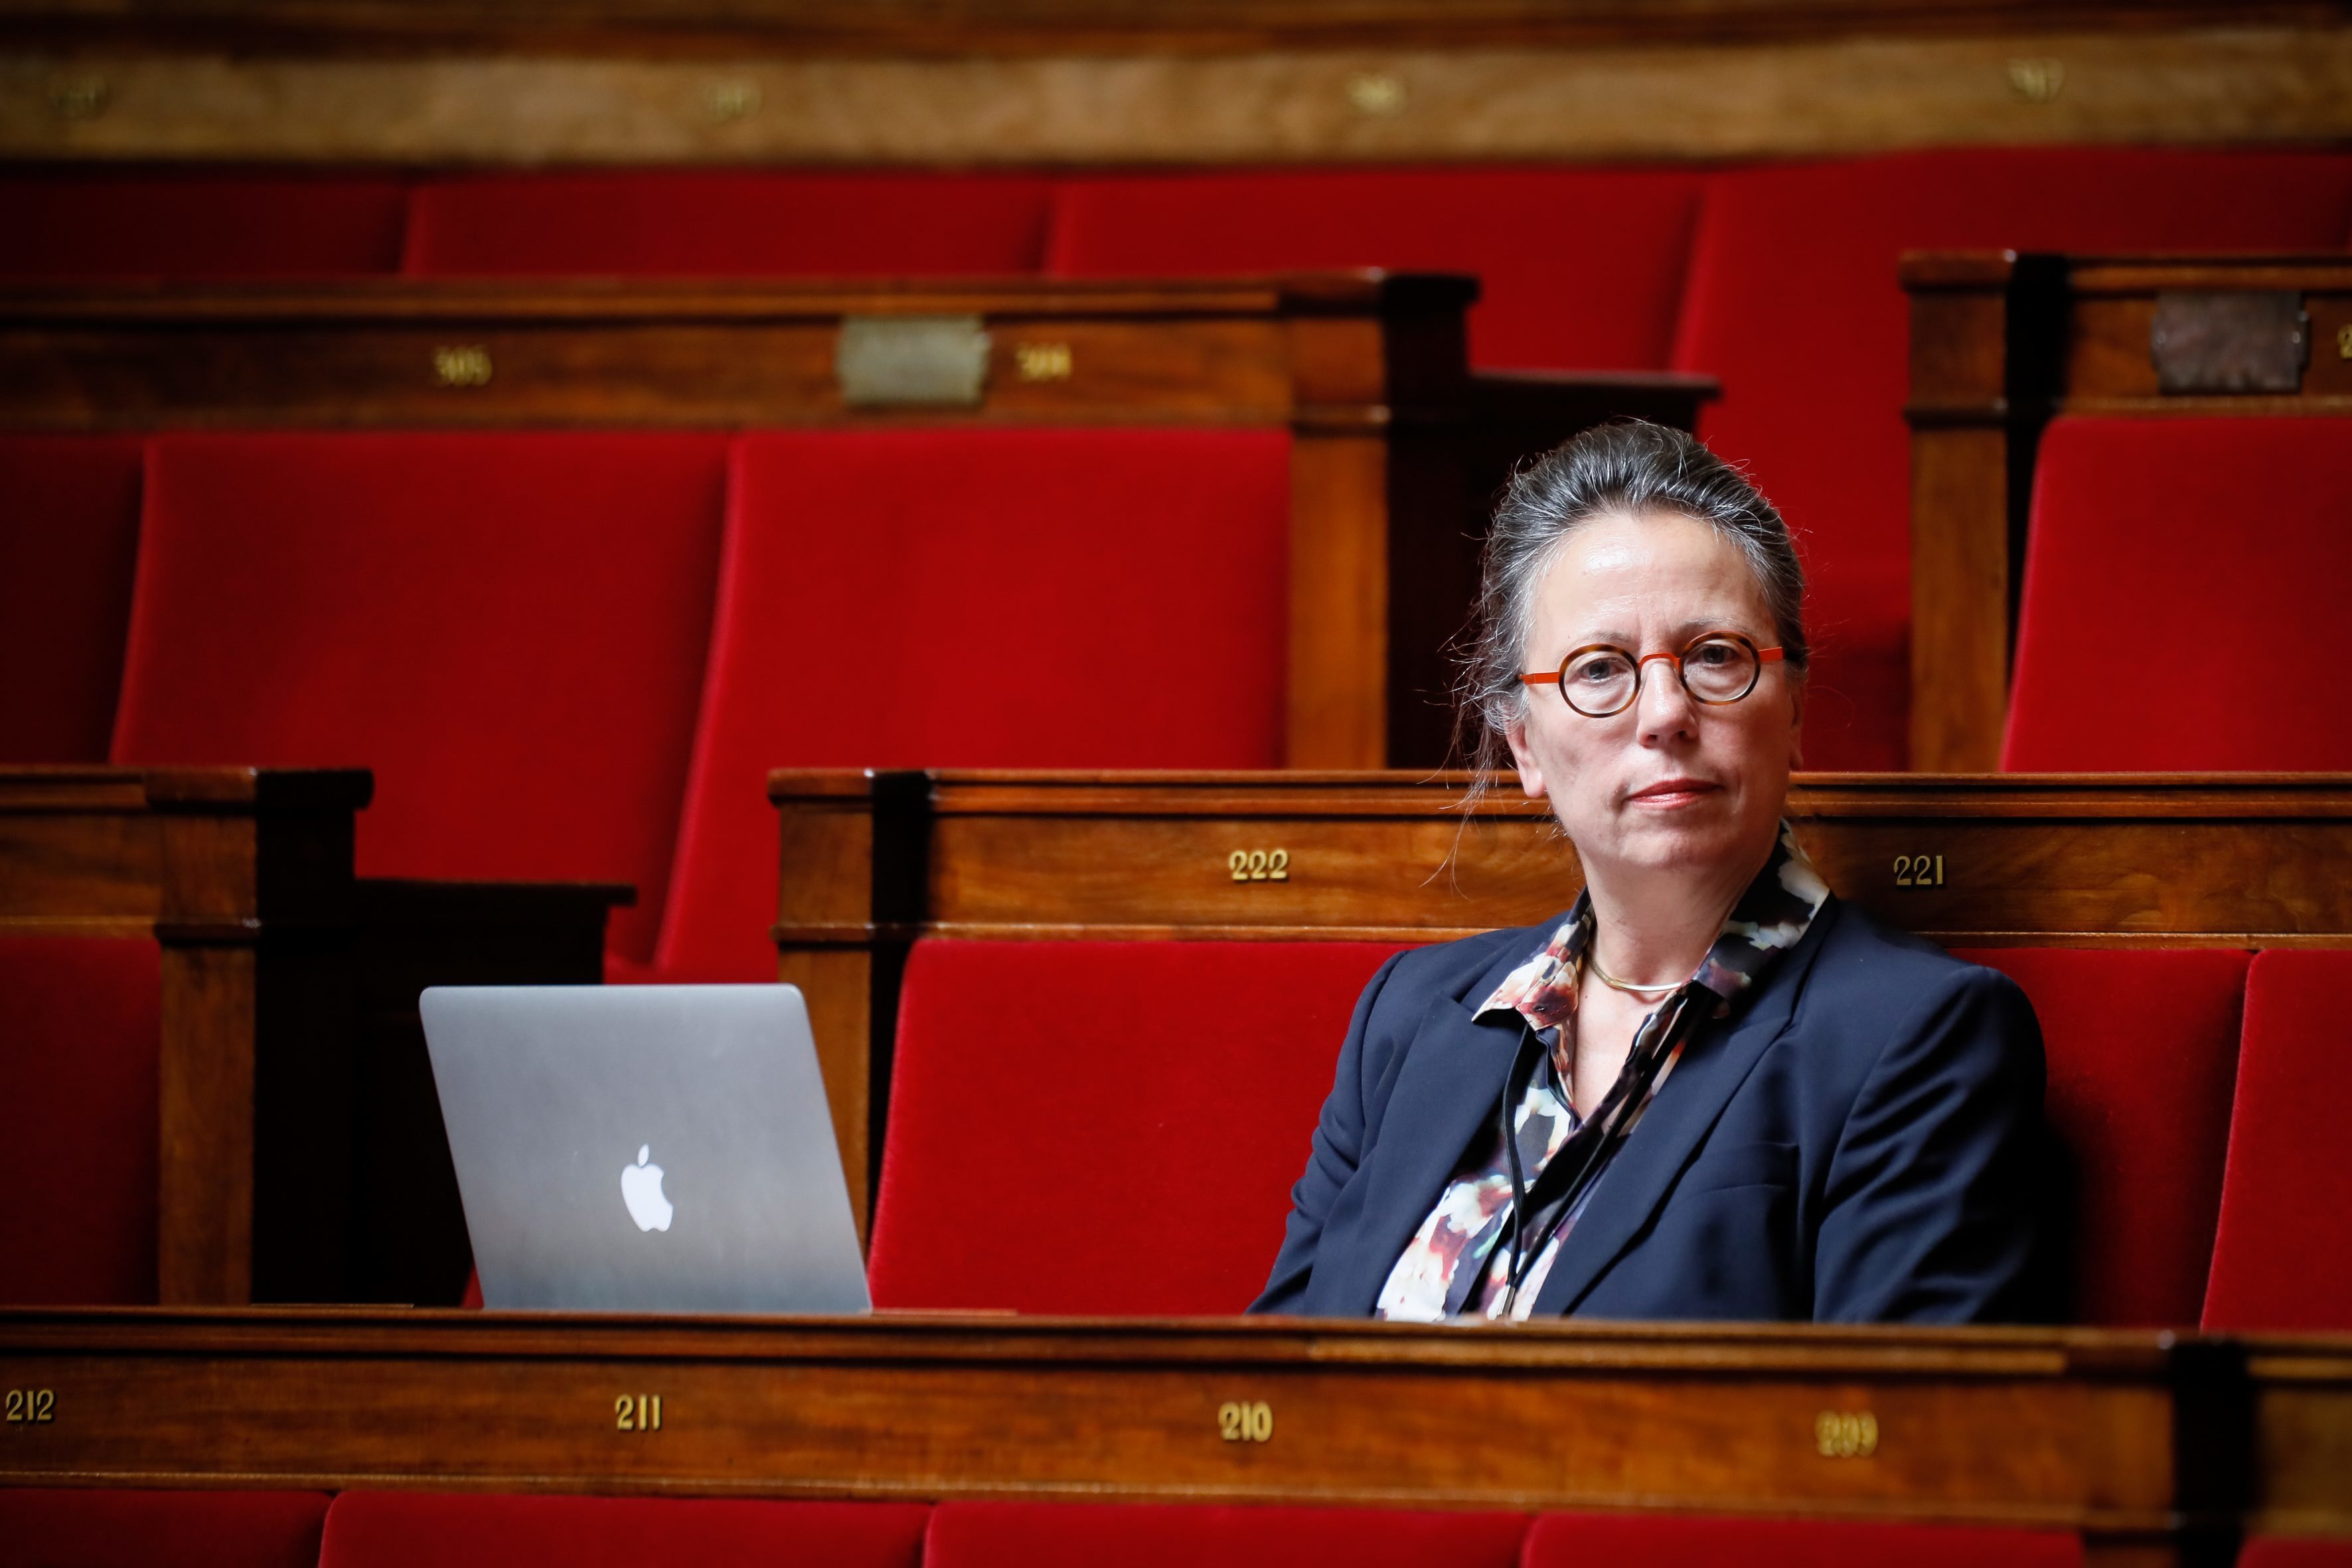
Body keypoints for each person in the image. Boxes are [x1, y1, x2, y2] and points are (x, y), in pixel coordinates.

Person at [1253, 421, 2045, 1323]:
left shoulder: (1916, 1035)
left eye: (1716, 655)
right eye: (1601, 668)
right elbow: (1278, 1380)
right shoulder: (1410, 1013)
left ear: (1793, 710)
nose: (1666, 712)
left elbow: (1882, 1444)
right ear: (1524, 743)